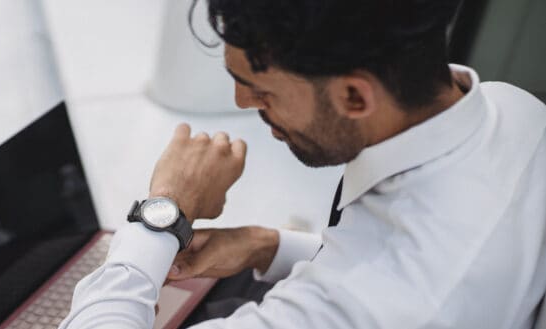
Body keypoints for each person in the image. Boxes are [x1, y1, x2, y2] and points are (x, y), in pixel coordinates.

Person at [58, 0, 546, 328]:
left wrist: (163, 213)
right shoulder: (515, 110)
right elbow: (388, 246)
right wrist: (267, 246)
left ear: (355, 96)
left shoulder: (366, 310)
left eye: (261, 88)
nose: (243, 101)